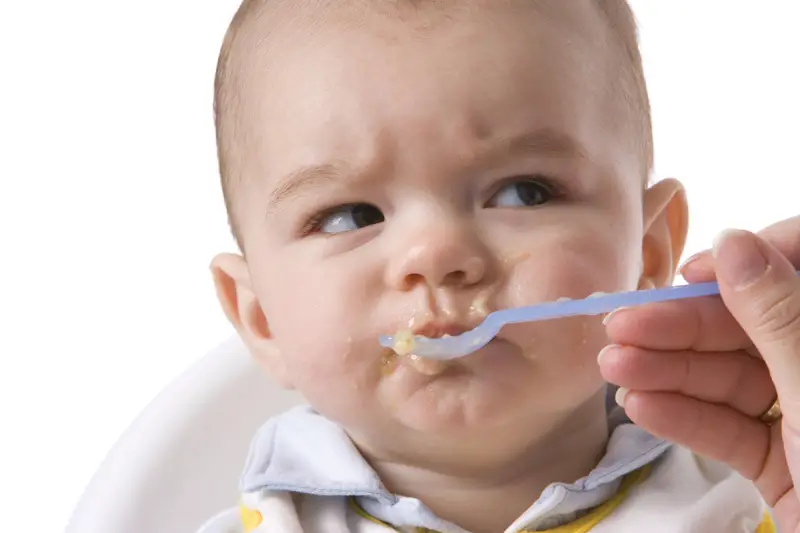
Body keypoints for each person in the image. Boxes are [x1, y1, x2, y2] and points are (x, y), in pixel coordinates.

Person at [197, 0, 796, 531]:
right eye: (350, 216)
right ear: (260, 318)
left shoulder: (750, 500)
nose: (436, 254)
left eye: (524, 192)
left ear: (646, 255)